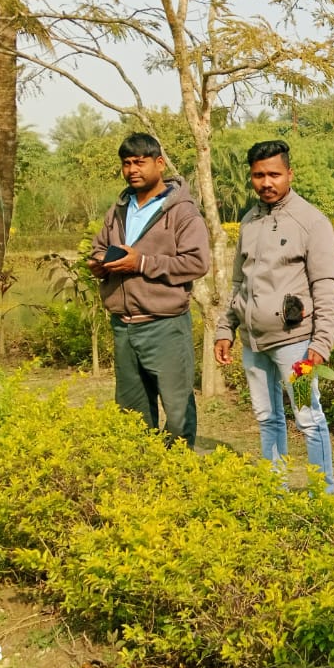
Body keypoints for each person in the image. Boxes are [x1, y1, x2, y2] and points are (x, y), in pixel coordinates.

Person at [213, 140, 334, 492]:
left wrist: (321, 343)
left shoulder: (311, 221)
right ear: (251, 177)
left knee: (308, 418)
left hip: (296, 347)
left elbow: (325, 287)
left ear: (289, 174)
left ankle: (323, 496)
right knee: (267, 418)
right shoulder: (249, 222)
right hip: (254, 345)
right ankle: (275, 491)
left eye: (274, 174)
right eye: (258, 175)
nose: (266, 182)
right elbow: (239, 283)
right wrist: (225, 328)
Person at [89, 132, 210, 448]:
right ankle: (142, 471)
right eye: (126, 163)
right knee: (132, 411)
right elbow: (99, 246)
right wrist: (99, 263)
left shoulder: (182, 211)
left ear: (159, 163)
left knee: (177, 408)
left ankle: (178, 469)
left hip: (165, 324)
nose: (132, 170)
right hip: (123, 325)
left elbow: (196, 263)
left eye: (140, 162)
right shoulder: (119, 208)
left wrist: (141, 263)